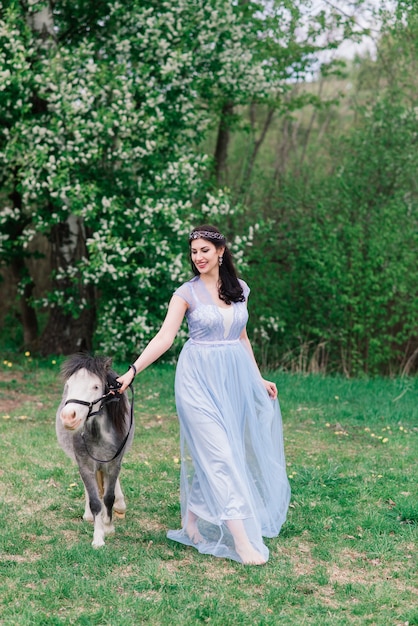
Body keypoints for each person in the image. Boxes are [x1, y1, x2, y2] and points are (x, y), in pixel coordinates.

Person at [117, 225, 290, 565]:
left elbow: (241, 337)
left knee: (222, 452)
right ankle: (242, 543)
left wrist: (258, 379)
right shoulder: (186, 293)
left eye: (204, 251)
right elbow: (165, 338)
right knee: (221, 455)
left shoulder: (239, 289)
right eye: (194, 252)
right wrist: (131, 371)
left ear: (220, 251)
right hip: (197, 381)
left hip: (233, 381)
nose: (198, 257)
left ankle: (191, 521)